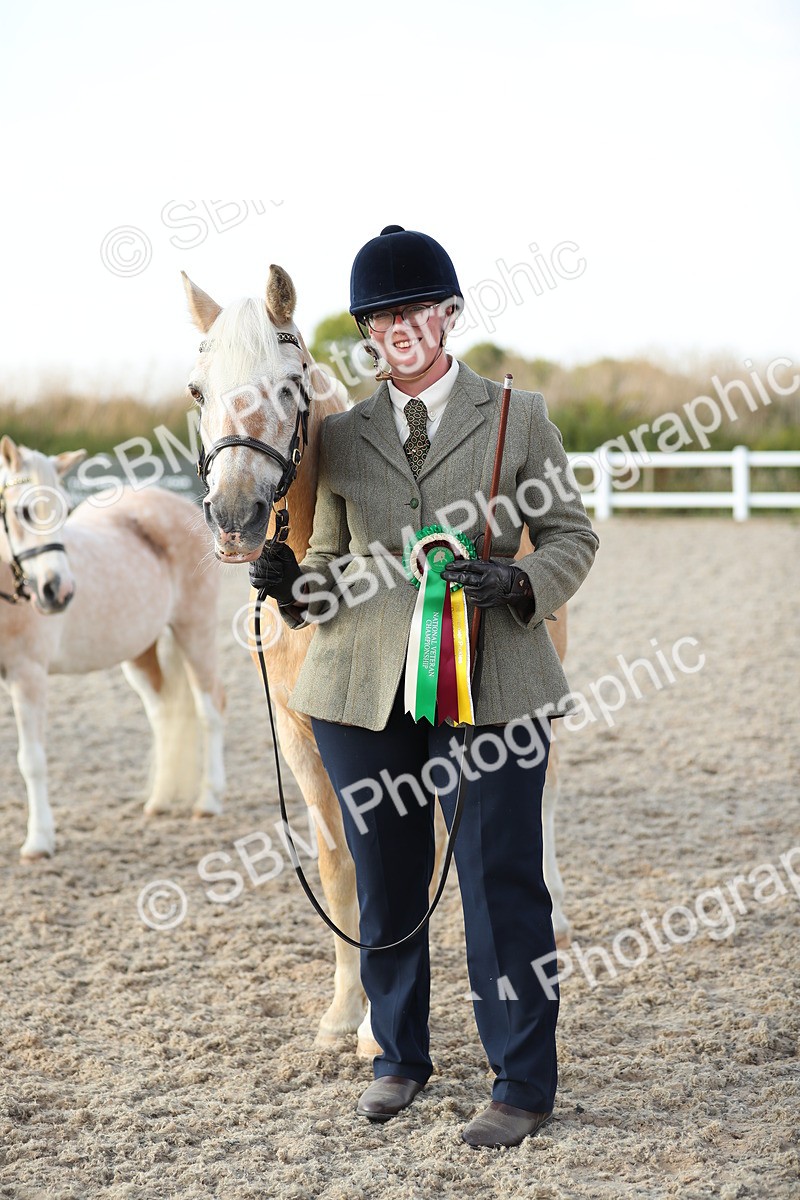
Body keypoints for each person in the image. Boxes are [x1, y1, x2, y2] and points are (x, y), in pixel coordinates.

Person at [251, 225, 599, 1148]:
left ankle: (522, 1079)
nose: (399, 325)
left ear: (447, 313)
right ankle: (398, 1057)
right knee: (387, 879)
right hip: (362, 683)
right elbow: (328, 560)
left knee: (502, 884)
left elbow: (573, 535)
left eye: (414, 308)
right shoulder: (337, 434)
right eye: (381, 315)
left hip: (494, 677)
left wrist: (521, 581)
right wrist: (294, 588)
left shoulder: (517, 418)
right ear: (367, 331)